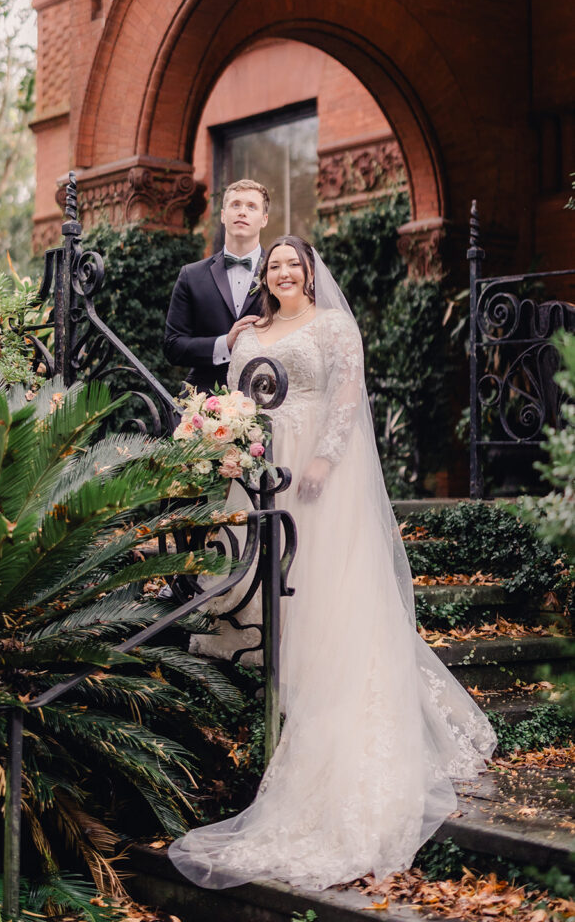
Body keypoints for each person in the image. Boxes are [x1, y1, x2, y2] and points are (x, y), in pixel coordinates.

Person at [168, 236, 496, 891]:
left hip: (315, 468)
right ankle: (268, 652)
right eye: (274, 266)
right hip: (260, 469)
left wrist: (323, 457)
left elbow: (347, 395)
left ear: (311, 272)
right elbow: (239, 398)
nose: (283, 272)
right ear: (265, 277)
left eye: (293, 264)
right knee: (261, 569)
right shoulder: (251, 329)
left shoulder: (334, 325)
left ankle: (321, 680)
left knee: (319, 577)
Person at [164, 179, 269, 393]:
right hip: (204, 400)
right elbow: (173, 346)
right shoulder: (191, 275)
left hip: (267, 395)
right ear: (223, 215)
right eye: (235, 205)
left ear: (264, 219)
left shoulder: (279, 274)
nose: (242, 212)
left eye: (251, 206)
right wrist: (224, 344)